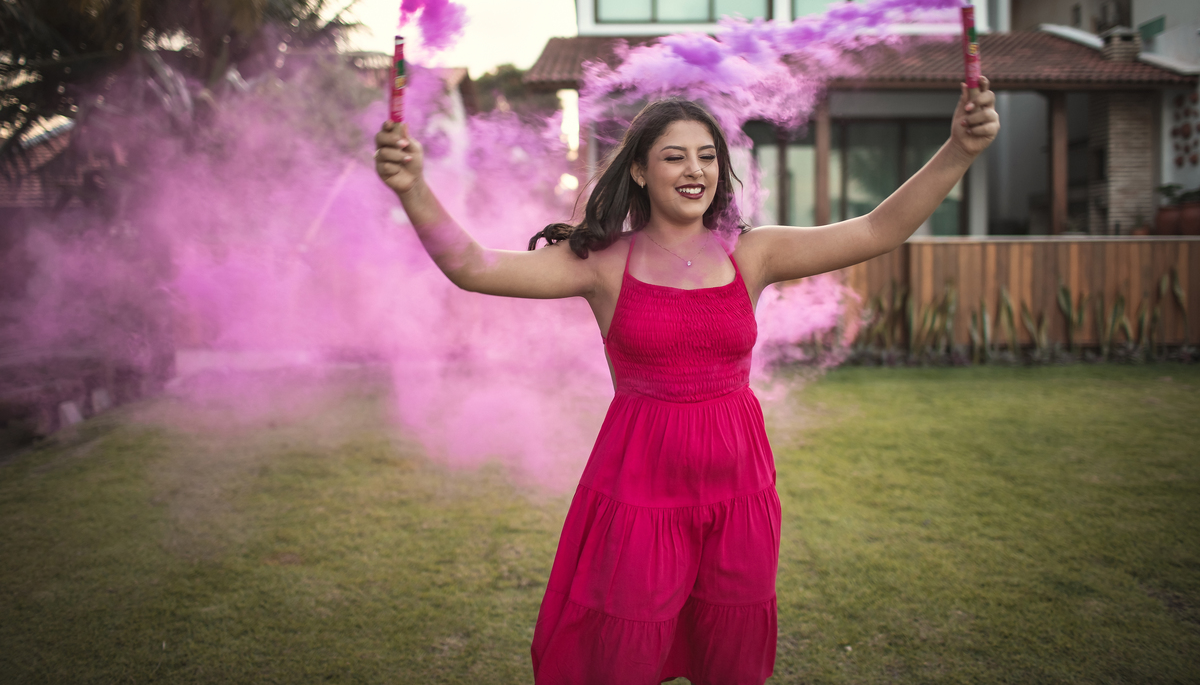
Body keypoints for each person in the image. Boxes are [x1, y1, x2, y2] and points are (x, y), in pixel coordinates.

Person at [373, 81, 999, 685]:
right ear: (640, 171)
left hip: (739, 491)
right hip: (639, 492)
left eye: (707, 156)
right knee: (620, 655)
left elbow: (878, 230)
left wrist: (959, 150)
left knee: (729, 657)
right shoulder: (602, 263)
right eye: (674, 156)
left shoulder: (752, 254)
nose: (694, 169)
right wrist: (413, 187)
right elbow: (473, 265)